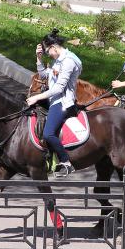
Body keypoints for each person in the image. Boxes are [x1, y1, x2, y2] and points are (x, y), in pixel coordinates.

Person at [26, 29, 82, 177]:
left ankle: (66, 162)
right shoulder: (58, 60)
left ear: (54, 47)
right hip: (54, 100)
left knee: (48, 133)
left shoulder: (69, 61)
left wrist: (37, 97)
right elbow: (44, 74)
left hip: (63, 102)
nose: (48, 55)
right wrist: (38, 58)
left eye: (47, 52)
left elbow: (59, 88)